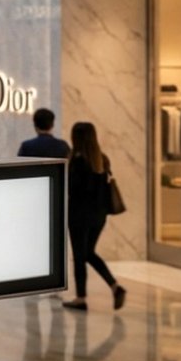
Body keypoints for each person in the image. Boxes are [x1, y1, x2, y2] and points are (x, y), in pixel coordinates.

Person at [66, 122, 126, 311]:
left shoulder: (77, 161)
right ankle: (115, 287)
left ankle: (81, 298)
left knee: (80, 255)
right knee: (88, 253)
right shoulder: (102, 159)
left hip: (79, 214)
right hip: (99, 215)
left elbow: (73, 190)